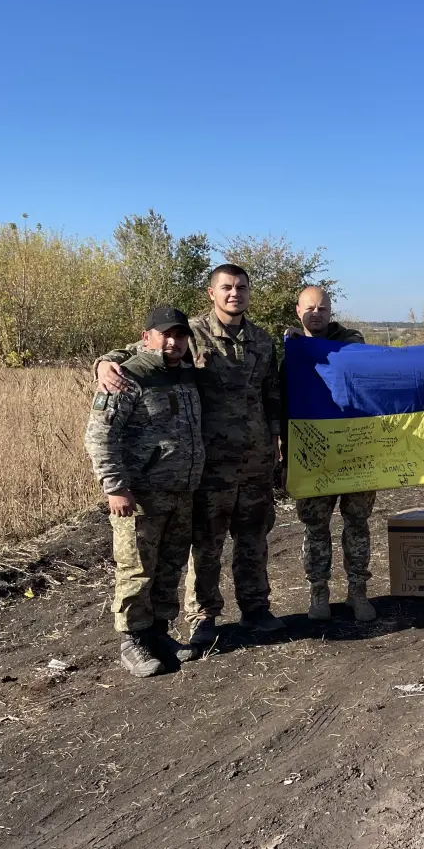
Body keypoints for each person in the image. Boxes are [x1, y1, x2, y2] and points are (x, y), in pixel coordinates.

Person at [95, 264, 283, 654]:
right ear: (212, 293)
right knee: (206, 544)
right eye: (227, 287)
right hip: (207, 466)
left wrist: (276, 444)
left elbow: (272, 396)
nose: (235, 293)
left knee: (254, 539)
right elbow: (138, 351)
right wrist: (102, 363)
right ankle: (203, 617)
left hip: (255, 462)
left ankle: (255, 607)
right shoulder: (190, 333)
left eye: (242, 287)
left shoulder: (263, 341)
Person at [84, 308, 204, 677]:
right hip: (141, 495)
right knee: (136, 569)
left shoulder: (186, 373)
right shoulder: (126, 376)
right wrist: (115, 487)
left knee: (169, 567)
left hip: (181, 492)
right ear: (146, 336)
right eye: (165, 334)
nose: (173, 342)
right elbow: (99, 436)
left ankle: (158, 633)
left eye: (180, 335)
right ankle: (132, 641)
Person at [284, 286, 377, 623]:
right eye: (309, 308)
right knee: (315, 528)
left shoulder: (349, 339)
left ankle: (358, 592)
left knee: (357, 524)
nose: (316, 314)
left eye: (322, 308)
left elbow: (355, 357)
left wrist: (306, 346)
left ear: (330, 311)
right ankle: (318, 592)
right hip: (313, 454)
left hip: (356, 450)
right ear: (298, 311)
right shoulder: (289, 349)